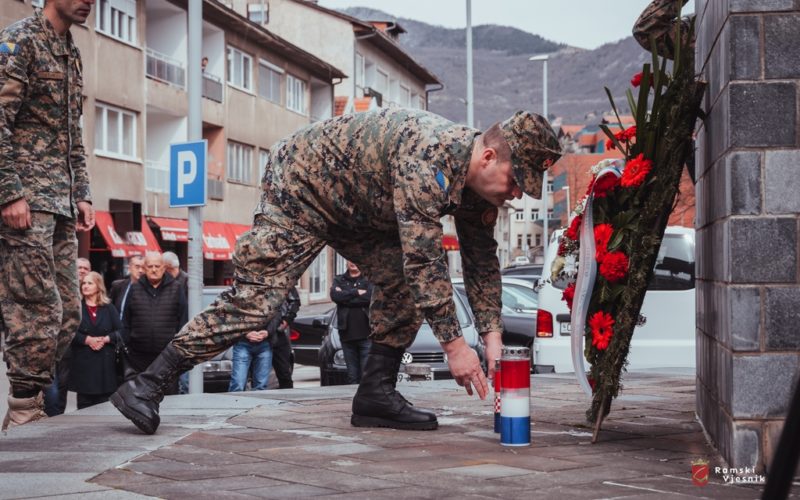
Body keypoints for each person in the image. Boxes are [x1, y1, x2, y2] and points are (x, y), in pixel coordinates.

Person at [111, 108, 561, 435]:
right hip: (305, 186)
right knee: (256, 304)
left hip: (362, 209)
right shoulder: (430, 156)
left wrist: (493, 338)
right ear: (486, 158)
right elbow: (424, 259)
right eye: (515, 181)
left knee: (403, 288)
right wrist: (456, 347)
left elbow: (482, 262)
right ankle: (146, 385)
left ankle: (375, 394)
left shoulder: (479, 189)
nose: (518, 195)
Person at [0, 0, 96, 430]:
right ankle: (22, 411)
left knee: (68, 312)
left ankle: (30, 397)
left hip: (59, 201)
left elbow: (72, 131)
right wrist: (9, 192)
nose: (89, 1)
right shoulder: (19, 41)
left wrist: (82, 192)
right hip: (24, 200)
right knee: (35, 308)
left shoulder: (69, 51)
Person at [120, 253, 187, 394]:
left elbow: (182, 320)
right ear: (144, 268)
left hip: (167, 355)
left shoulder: (176, 288)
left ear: (164, 268)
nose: (154, 269)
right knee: (141, 396)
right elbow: (126, 320)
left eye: (157, 266)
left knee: (168, 396)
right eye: (150, 266)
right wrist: (128, 344)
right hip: (138, 356)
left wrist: (176, 347)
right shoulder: (135, 288)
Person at [68, 271, 122, 409]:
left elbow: (122, 331)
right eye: (83, 283)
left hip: (105, 364)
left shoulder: (108, 307)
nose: (85, 286)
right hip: (84, 365)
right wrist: (87, 340)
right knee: (84, 406)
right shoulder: (76, 307)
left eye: (89, 283)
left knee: (104, 406)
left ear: (98, 286)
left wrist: (106, 339)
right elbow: (68, 331)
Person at [331, 262, 373, 384]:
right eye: (350, 260)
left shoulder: (368, 279)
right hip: (347, 336)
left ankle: (366, 401)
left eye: (355, 260)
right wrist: (356, 292)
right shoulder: (339, 279)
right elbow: (336, 297)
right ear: (346, 262)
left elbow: (370, 297)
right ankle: (354, 401)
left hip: (366, 335)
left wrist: (345, 296)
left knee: (366, 375)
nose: (353, 263)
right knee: (352, 376)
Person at [269, 286, 300, 389]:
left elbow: (295, 301)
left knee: (284, 372)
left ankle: (289, 400)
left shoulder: (284, 279)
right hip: (258, 332)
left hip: (279, 332)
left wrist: (286, 321)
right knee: (256, 376)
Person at [109, 255, 145, 320]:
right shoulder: (118, 286)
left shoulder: (149, 289)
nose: (140, 270)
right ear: (129, 268)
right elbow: (110, 308)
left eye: (143, 268)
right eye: (137, 267)